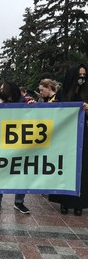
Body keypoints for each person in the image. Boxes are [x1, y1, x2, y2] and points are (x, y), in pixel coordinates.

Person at [49, 63, 88, 216]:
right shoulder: (62, 93)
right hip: (65, 136)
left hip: (83, 135)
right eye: (80, 75)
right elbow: (53, 111)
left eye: (84, 75)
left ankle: (79, 203)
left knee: (82, 168)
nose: (82, 78)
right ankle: (64, 202)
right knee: (65, 167)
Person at [0, 81, 30, 214]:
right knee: (0, 171)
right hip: (2, 143)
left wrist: (35, 107)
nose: (0, 90)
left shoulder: (24, 103)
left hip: (20, 143)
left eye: (3, 88)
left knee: (21, 172)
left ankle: (19, 202)